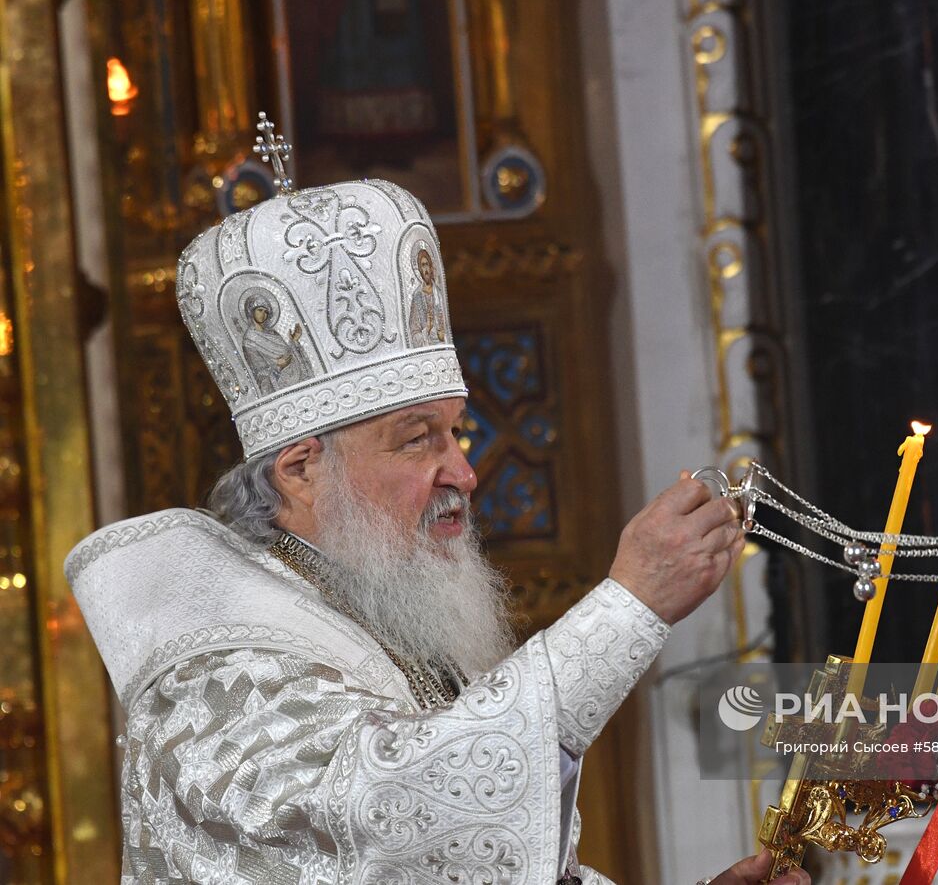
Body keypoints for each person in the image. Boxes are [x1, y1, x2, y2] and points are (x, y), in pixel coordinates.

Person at [66, 157, 809, 884]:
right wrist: (629, 605)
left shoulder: (387, 623)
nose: (463, 471)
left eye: (456, 433)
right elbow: (390, 811)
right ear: (300, 470)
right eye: (418, 438)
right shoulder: (212, 674)